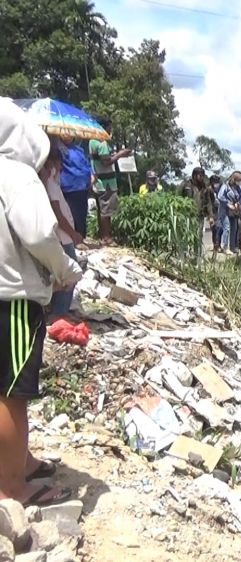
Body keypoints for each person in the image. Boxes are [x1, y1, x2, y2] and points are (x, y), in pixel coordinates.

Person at [0, 99, 83, 506]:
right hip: (12, 297)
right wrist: (64, 268)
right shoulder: (15, 175)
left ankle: (21, 460)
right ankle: (12, 485)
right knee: (12, 392)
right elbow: (37, 234)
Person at [41, 141, 84, 321]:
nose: (61, 167)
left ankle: (59, 310)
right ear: (51, 163)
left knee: (65, 272)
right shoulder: (49, 184)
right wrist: (73, 233)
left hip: (64, 236)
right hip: (63, 237)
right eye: (59, 163)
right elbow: (57, 214)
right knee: (70, 272)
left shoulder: (53, 183)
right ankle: (59, 312)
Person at [89, 117, 131, 245]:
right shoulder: (101, 142)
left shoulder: (92, 141)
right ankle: (107, 238)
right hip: (106, 183)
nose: (110, 130)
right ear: (103, 127)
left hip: (99, 181)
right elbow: (106, 161)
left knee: (101, 210)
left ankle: (103, 236)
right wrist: (120, 154)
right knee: (106, 211)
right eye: (109, 128)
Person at [57, 138, 92, 241]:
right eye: (63, 132)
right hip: (68, 186)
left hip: (82, 186)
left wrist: (91, 176)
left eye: (69, 132)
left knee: (82, 215)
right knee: (71, 215)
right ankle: (73, 240)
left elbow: (87, 165)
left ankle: (81, 238)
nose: (66, 134)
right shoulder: (58, 149)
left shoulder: (79, 150)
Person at [180, 167, 215, 251]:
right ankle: (184, 255)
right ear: (194, 175)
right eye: (200, 175)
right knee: (186, 235)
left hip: (199, 215)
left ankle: (197, 256)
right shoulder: (186, 185)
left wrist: (211, 216)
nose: (201, 177)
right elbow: (178, 197)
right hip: (187, 215)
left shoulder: (205, 187)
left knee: (198, 235)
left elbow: (209, 202)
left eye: (202, 175)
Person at [217, 172, 241, 254]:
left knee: (234, 229)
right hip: (225, 211)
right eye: (239, 180)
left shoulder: (237, 188)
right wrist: (228, 204)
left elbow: (238, 198)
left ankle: (232, 247)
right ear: (234, 179)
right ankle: (225, 247)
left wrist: (237, 204)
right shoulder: (225, 186)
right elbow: (220, 196)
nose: (240, 182)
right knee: (227, 228)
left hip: (234, 212)